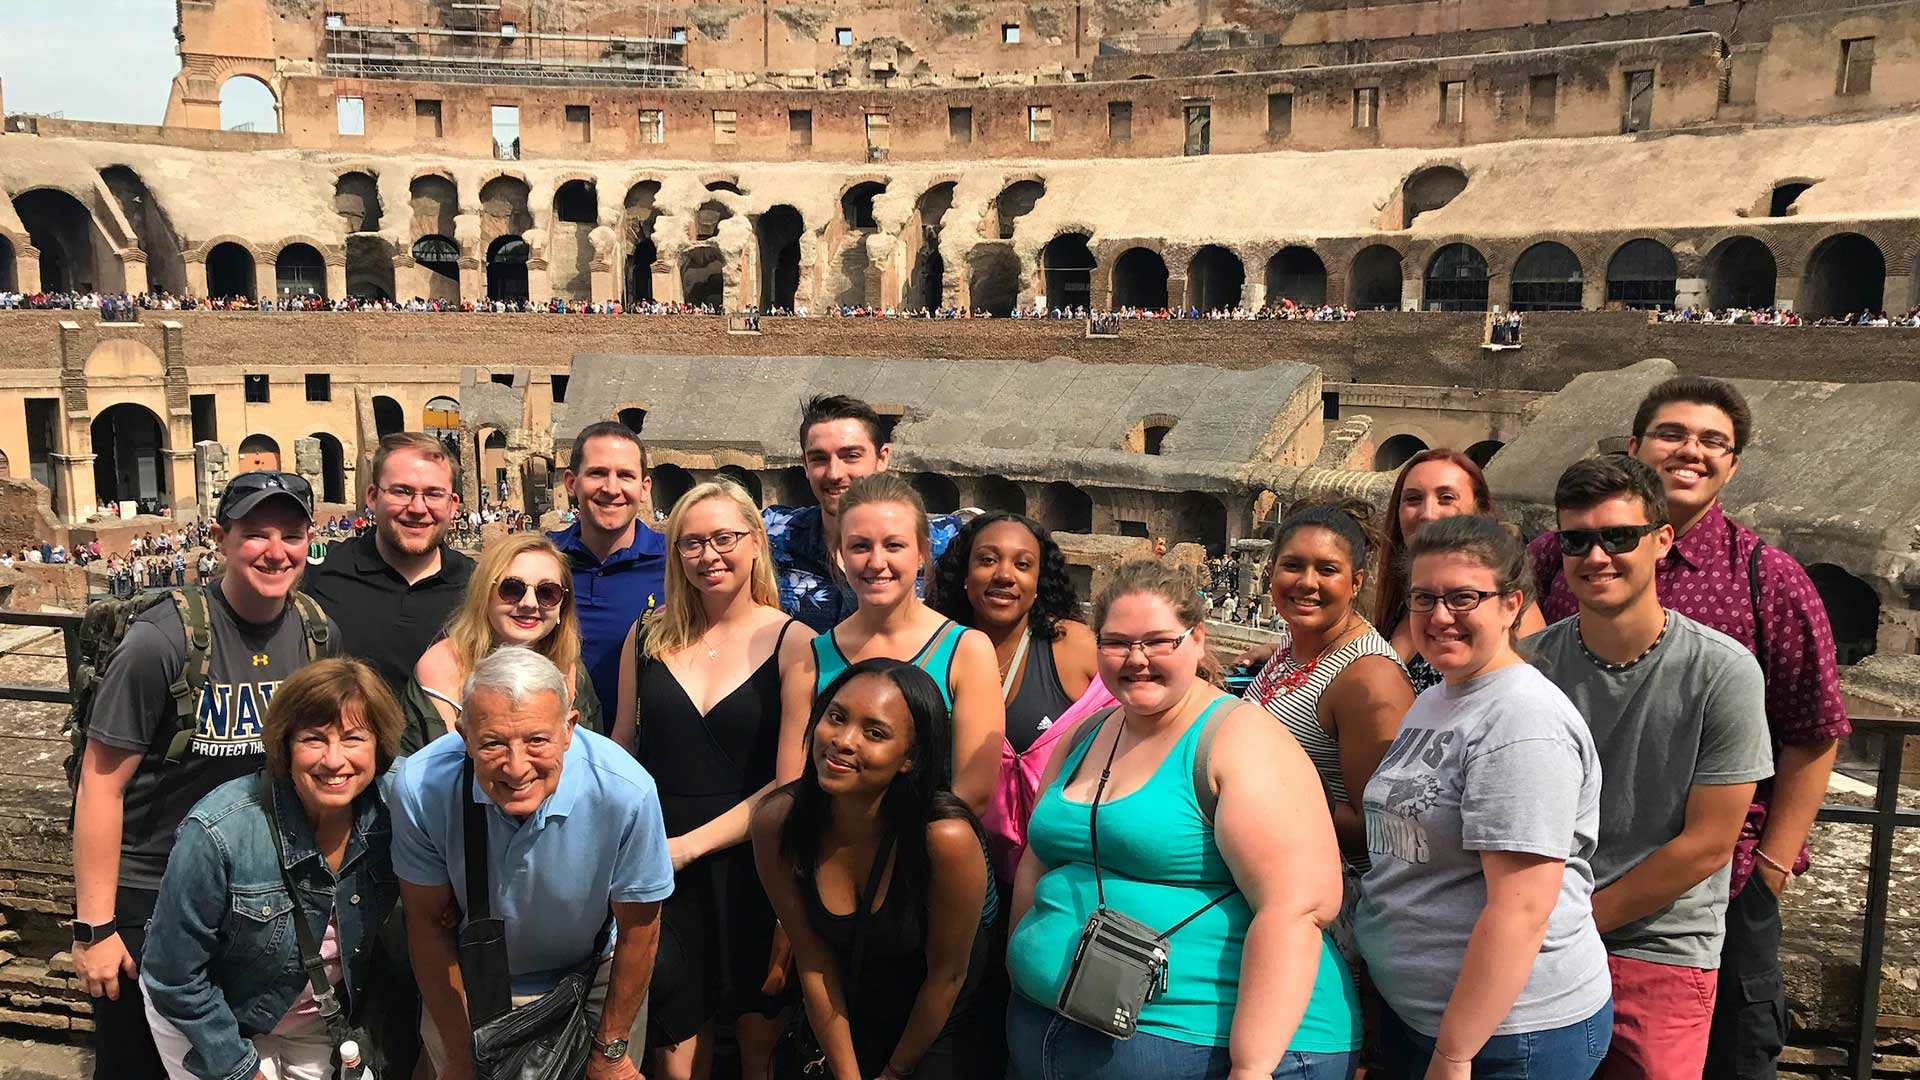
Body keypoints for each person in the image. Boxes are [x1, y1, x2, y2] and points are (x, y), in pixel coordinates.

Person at [1526, 376, 1848, 1080]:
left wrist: (1765, 873)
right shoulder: (1561, 551)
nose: (1691, 451)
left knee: (1736, 1053)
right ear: (1638, 448)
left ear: (1733, 465)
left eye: (1713, 442)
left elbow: (1815, 728)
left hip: (1715, 885)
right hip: (1567, 875)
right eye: (1673, 434)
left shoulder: (1770, 578)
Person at [1008, 560, 1361, 1080]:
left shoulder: (1241, 742)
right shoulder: (1085, 733)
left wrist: (1251, 1068)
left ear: (1196, 640)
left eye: (1158, 642)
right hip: (1059, 1023)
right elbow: (1039, 858)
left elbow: (1297, 907)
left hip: (1207, 1042)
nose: (1137, 660)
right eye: (1117, 643)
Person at [71, 471, 337, 1080]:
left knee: (222, 1054)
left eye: (291, 535)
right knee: (136, 1061)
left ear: (309, 540)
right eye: (256, 534)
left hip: (252, 890)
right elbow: (101, 784)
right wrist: (95, 928)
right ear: (220, 538)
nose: (276, 551)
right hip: (151, 886)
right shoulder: (162, 640)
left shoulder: (317, 633)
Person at [1526, 456, 1772, 1079]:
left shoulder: (1723, 670)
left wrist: (1577, 922)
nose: (1597, 555)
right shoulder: (1528, 667)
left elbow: (1708, 845)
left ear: (1662, 541)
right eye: (1577, 540)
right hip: (1539, 940)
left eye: (1618, 536)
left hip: (1660, 947)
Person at [1357, 515, 1611, 1080]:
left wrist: (1454, 1053)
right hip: (1431, 1018)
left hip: (1507, 1038)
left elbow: (1521, 909)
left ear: (1510, 604)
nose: (1440, 616)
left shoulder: (1522, 721)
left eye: (1463, 597)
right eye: (1424, 598)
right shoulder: (1441, 696)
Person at [391, 646, 675, 1080]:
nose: (516, 766)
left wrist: (612, 1050)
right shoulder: (421, 785)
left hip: (595, 966)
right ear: (464, 736)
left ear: (569, 729)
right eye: (492, 743)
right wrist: (459, 1055)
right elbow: (426, 926)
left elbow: (640, 929)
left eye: (536, 740)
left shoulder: (626, 792)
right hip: (473, 975)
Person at [608, 481, 811, 1080]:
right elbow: (623, 746)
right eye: (691, 543)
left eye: (724, 538)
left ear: (754, 543)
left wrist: (690, 847)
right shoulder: (646, 634)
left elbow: (789, 782)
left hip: (754, 861)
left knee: (757, 1045)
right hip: (656, 858)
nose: (708, 555)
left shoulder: (793, 640)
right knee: (675, 1046)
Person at [140, 659, 406, 1080]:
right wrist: (242, 1070)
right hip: (213, 1013)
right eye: (314, 740)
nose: (334, 760)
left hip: (316, 1011)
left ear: (380, 745)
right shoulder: (218, 831)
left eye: (354, 738)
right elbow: (174, 977)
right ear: (284, 745)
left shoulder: (397, 810)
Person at [750, 659, 995, 1080]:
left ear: (910, 759)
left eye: (875, 733)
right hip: (842, 1017)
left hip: (939, 1025)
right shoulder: (777, 823)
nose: (843, 741)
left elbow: (948, 975)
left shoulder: (945, 840)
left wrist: (893, 1074)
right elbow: (813, 961)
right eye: (836, 717)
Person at [1242, 504, 1412, 959]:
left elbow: (1377, 829)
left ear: (1356, 582)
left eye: (1327, 570)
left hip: (1328, 905)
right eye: (1292, 565)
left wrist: (1260, 793)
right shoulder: (1291, 649)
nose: (1307, 582)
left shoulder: (1368, 679)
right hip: (1273, 877)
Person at [787, 474, 1003, 816]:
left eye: (893, 545)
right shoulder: (811, 657)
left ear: (921, 552)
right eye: (860, 546)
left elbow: (972, 794)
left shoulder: (967, 651)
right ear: (840, 554)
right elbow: (794, 783)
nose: (876, 562)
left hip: (929, 853)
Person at [764, 395, 960, 633]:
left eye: (851, 456)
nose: (834, 473)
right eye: (819, 459)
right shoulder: (773, 534)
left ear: (882, 458)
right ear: (804, 464)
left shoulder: (949, 543)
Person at [307, 432, 475, 700]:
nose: (418, 507)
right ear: (372, 497)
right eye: (402, 491)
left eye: (433, 494)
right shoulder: (318, 572)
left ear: (452, 505)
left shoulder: (478, 587)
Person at [1367, 449, 1544, 693]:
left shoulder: (1509, 608)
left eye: (1446, 498)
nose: (1428, 514)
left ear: (1479, 509)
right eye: (1413, 499)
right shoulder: (1401, 602)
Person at [406, 533, 600, 754]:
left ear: (562, 607)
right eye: (511, 589)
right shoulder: (442, 668)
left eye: (547, 593)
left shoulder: (571, 668)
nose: (529, 603)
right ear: (484, 594)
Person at [549, 421, 668, 712]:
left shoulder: (675, 564)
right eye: (597, 473)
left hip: (648, 748)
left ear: (644, 488)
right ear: (571, 482)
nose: (611, 488)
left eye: (625, 475)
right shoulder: (541, 561)